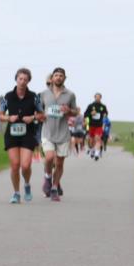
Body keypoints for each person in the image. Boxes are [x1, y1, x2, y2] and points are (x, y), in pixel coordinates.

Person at [0, 68, 43, 204]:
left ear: (28, 81)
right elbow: (0, 115)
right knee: (14, 165)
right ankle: (16, 193)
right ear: (16, 79)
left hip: (28, 134)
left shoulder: (34, 97)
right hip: (12, 134)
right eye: (20, 79)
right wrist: (8, 118)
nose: (22, 81)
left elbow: (42, 115)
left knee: (25, 165)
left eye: (25, 79)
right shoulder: (7, 96)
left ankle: (27, 184)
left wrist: (32, 117)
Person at [38, 67, 79, 201]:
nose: (58, 77)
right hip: (48, 131)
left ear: (64, 78)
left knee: (60, 163)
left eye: (61, 75)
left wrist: (69, 111)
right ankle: (48, 177)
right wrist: (40, 116)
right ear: (52, 78)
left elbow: (75, 112)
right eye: (56, 75)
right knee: (49, 157)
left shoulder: (70, 95)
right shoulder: (43, 94)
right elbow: (37, 111)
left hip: (63, 133)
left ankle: (55, 188)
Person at [85, 93, 109, 160]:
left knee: (97, 138)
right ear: (94, 97)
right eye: (96, 97)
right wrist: (91, 114)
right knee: (91, 140)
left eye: (99, 97)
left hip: (99, 125)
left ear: (101, 98)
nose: (97, 98)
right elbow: (85, 114)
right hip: (91, 125)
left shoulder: (103, 106)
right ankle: (92, 150)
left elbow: (106, 113)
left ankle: (97, 154)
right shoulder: (90, 105)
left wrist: (105, 115)